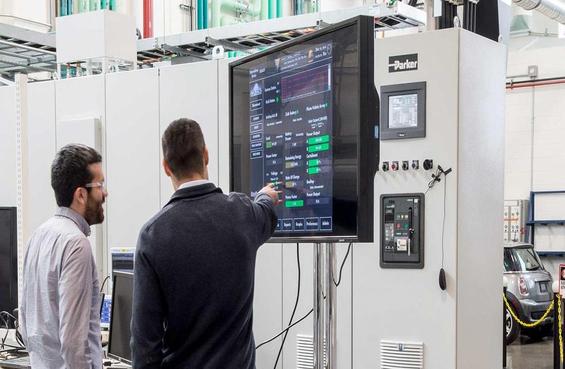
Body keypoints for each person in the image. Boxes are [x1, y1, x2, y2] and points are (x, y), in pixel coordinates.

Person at [131, 118, 280, 369]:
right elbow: (266, 210)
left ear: (166, 167)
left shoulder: (152, 236)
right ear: (206, 155)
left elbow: (145, 345)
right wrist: (266, 196)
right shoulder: (243, 213)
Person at [20, 144, 107, 369]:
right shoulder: (77, 245)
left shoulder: (37, 237)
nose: (105, 193)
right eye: (100, 185)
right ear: (81, 194)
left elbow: (25, 322)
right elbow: (73, 343)